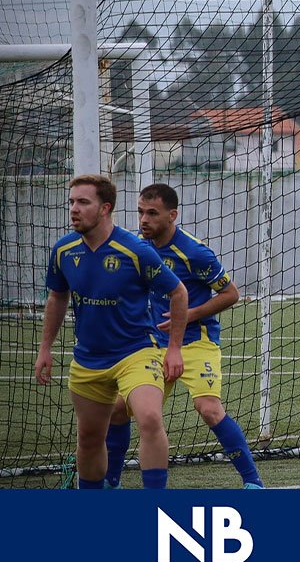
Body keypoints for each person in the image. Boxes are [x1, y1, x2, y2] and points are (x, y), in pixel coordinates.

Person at [102, 184, 263, 489]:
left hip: (196, 342)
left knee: (209, 409)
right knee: (118, 409)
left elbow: (231, 294)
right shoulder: (139, 249)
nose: (144, 220)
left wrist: (188, 314)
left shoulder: (194, 252)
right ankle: (111, 482)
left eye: (152, 213)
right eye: (140, 212)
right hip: (153, 346)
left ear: (172, 215)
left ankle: (253, 483)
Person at [34, 174, 188, 489]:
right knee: (89, 438)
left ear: (105, 208)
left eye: (83, 202)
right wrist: (45, 348)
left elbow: (178, 292)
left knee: (150, 418)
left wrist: (173, 348)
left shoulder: (135, 250)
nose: (74, 209)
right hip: (88, 359)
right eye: (72, 202)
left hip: (136, 352)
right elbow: (57, 297)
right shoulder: (64, 250)